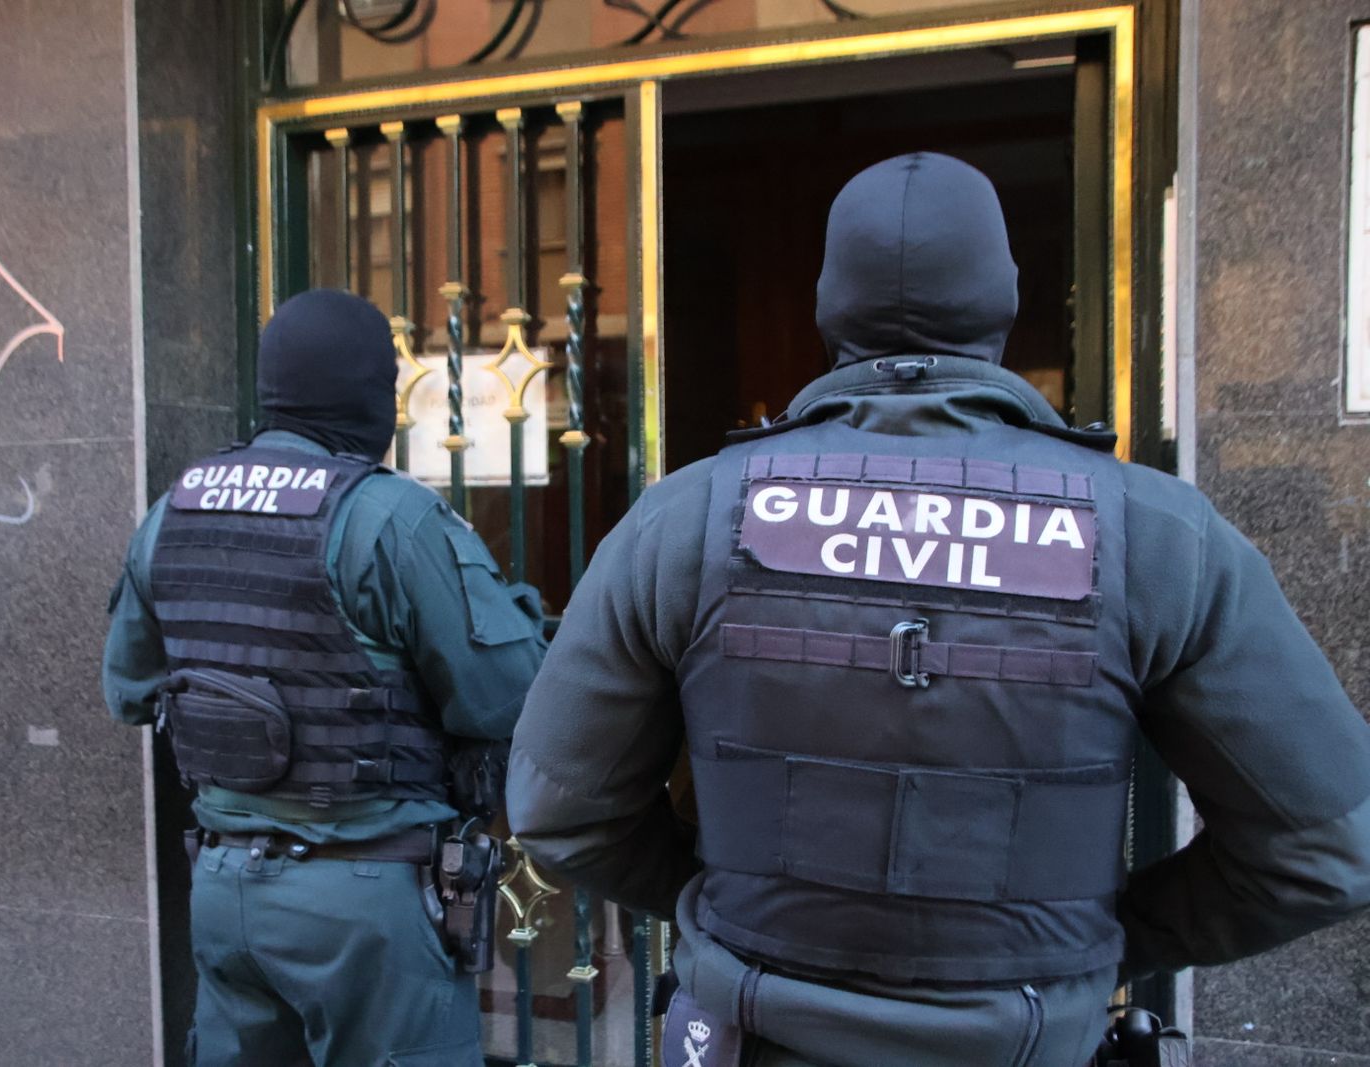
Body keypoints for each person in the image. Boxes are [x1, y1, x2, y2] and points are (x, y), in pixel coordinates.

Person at [505, 153, 1370, 1067]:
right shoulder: (1157, 533)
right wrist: (1105, 935)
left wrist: (733, 904)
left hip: (750, 1035)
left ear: (829, 310)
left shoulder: (684, 520)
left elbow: (562, 811)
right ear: (1003, 302)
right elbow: (1326, 848)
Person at [103, 289, 546, 1066]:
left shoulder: (172, 511)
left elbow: (130, 691)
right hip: (364, 903)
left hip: (224, 888)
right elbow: (507, 696)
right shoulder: (390, 518)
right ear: (372, 396)